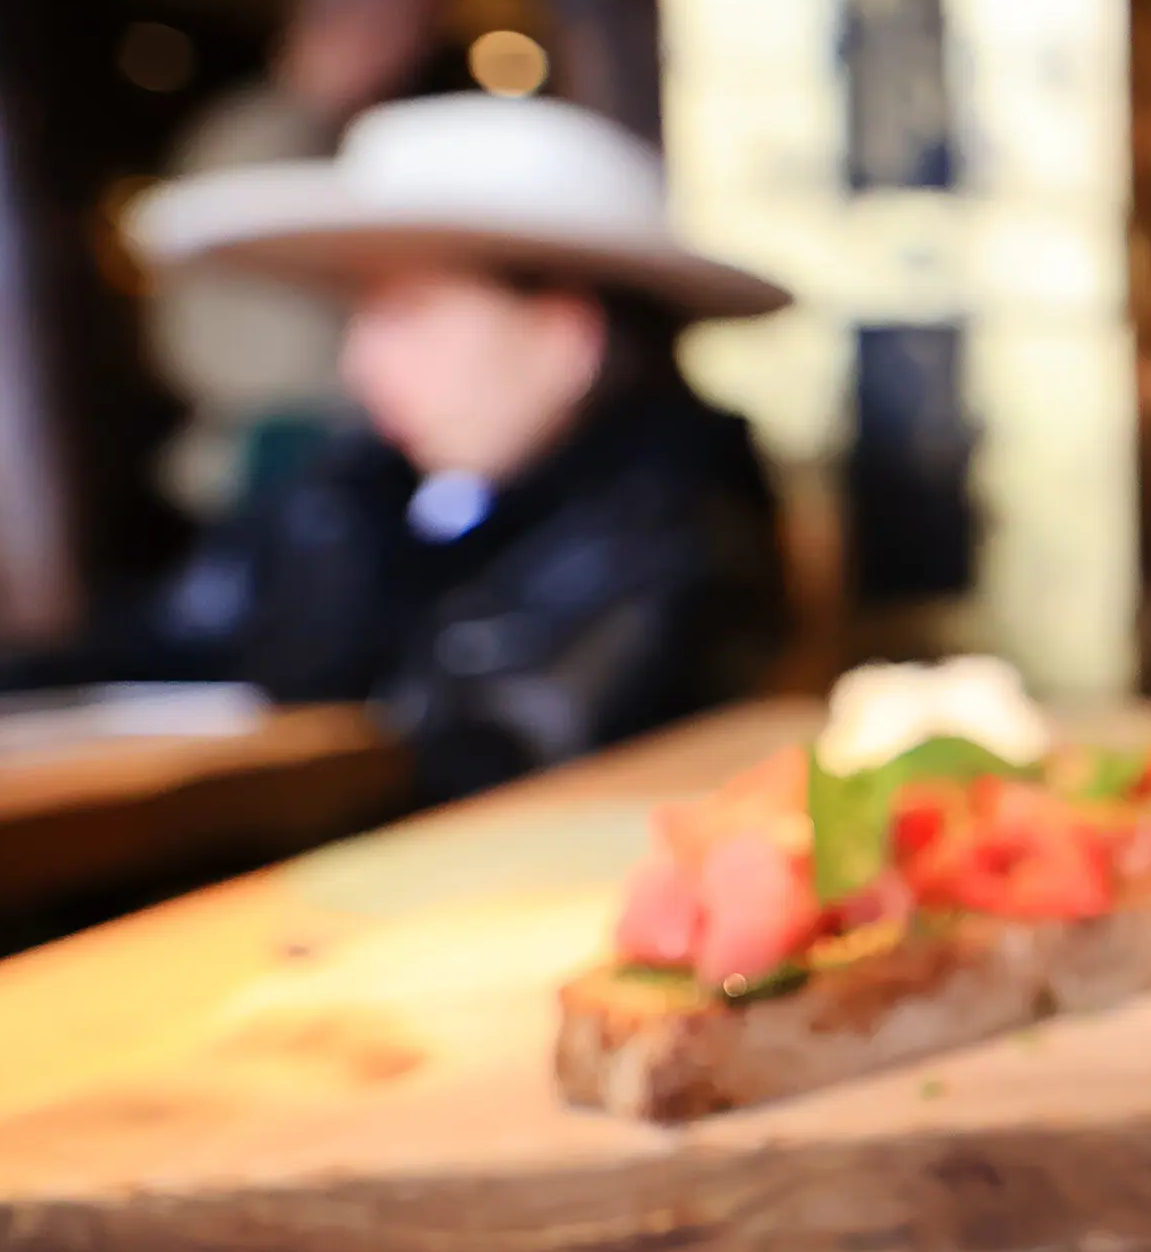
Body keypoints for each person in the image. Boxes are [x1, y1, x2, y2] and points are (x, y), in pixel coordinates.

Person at [125, 94, 794, 804]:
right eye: (361, 317)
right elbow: (168, 641)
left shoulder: (675, 536)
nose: (361, 364)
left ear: (566, 339)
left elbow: (512, 748)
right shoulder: (355, 499)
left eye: (408, 314)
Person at [149, 0, 451, 519]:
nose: (414, 56)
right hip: (283, 451)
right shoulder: (266, 144)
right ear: (347, 22)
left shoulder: (310, 136)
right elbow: (285, 351)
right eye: (408, 31)